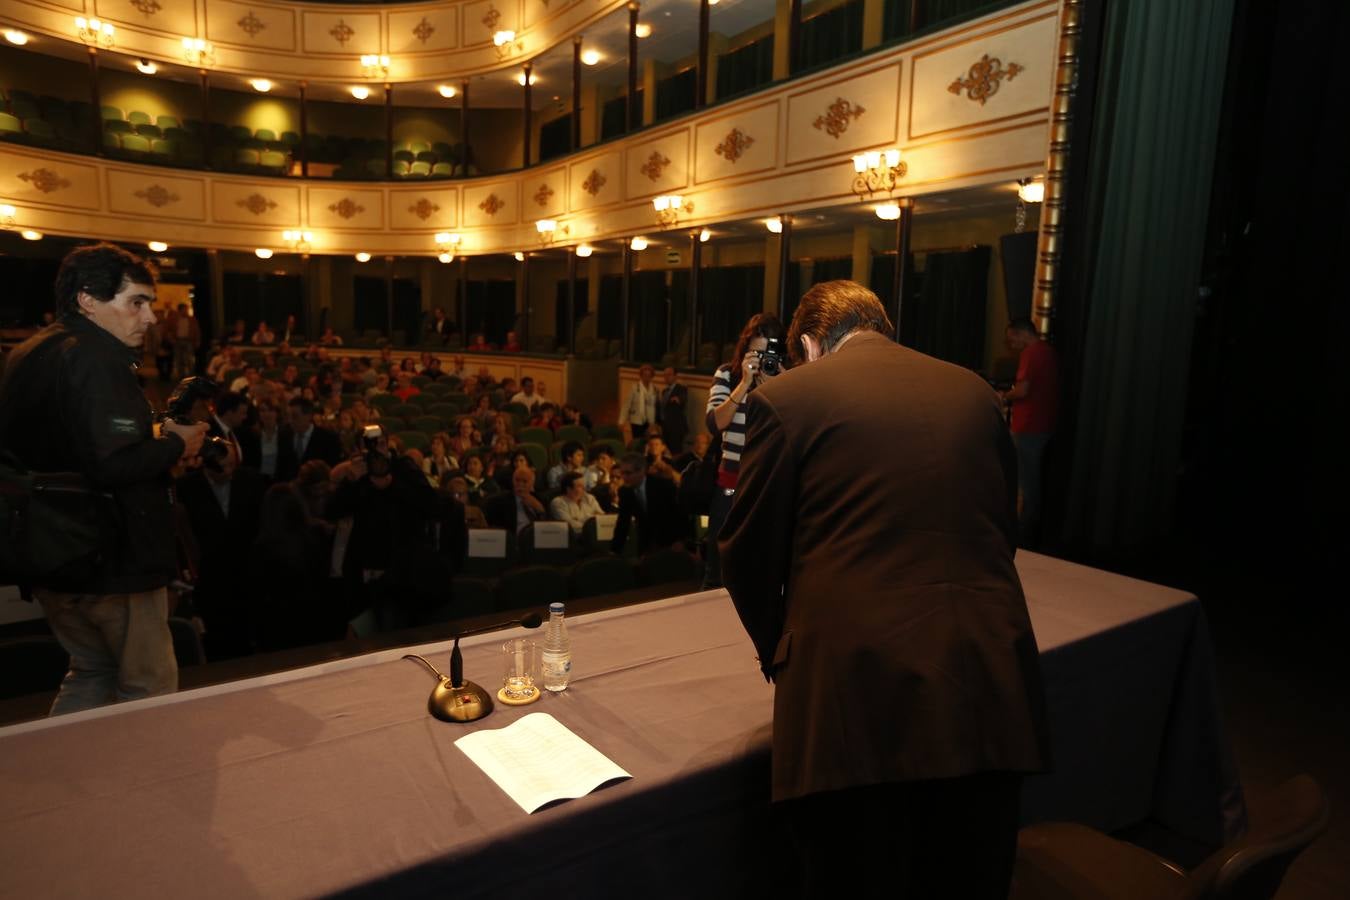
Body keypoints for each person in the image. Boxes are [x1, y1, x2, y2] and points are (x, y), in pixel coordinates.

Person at [719, 280, 1050, 899]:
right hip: (989, 687)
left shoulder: (787, 399)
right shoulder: (975, 392)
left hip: (858, 705)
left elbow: (746, 554)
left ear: (812, 346)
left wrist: (782, 653)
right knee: (967, 878)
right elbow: (1002, 523)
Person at [0, 243, 208, 714]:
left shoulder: (27, 352)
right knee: (147, 690)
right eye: (136, 302)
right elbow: (111, 465)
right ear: (88, 300)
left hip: (50, 553)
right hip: (109, 557)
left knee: (90, 672)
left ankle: (74, 785)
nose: (150, 317)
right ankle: (145, 787)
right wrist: (177, 443)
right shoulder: (96, 357)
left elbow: (67, 447)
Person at [702, 313, 787, 588]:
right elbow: (714, 424)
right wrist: (743, 385)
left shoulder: (789, 379)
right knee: (719, 567)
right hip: (730, 485)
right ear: (745, 349)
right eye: (756, 353)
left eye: (768, 354)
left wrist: (782, 387)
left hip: (765, 485)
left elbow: (797, 429)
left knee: (759, 569)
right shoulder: (728, 374)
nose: (763, 361)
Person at [999, 317, 1060, 547]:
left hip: (1028, 425)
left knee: (1025, 483)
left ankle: (1023, 535)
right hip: (1043, 424)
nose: (1011, 344)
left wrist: (1003, 396)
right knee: (1031, 480)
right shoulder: (1048, 352)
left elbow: (1023, 390)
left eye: (1011, 338)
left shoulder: (1031, 354)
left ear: (1021, 333)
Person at [610, 452, 686, 555]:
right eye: (622, 473)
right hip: (646, 542)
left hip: (670, 540)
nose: (623, 477)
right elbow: (623, 521)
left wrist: (680, 540)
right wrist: (615, 550)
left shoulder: (663, 486)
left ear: (641, 471)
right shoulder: (625, 491)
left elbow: (678, 513)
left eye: (628, 473)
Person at [484, 466, 546, 534]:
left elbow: (548, 524)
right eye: (517, 480)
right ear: (512, 480)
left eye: (524, 481)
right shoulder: (499, 501)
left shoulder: (539, 498)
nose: (520, 484)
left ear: (532, 483)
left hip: (536, 538)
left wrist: (539, 507)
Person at [618, 363, 657, 444]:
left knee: (648, 442)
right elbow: (626, 405)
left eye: (649, 376)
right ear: (641, 376)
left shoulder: (654, 389)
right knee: (637, 441)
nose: (647, 378)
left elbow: (654, 406)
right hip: (637, 421)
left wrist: (653, 423)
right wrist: (621, 421)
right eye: (645, 375)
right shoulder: (634, 388)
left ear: (652, 377)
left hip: (649, 422)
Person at [165, 303, 200, 381]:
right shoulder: (174, 319)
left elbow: (196, 330)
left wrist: (197, 340)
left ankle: (191, 375)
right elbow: (168, 330)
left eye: (186, 309)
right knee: (179, 359)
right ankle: (181, 375)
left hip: (188, 341)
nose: (186, 311)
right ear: (180, 310)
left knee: (189, 359)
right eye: (184, 309)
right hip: (178, 341)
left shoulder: (192, 319)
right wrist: (171, 339)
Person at [658, 366, 689, 453]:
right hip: (665, 427)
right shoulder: (664, 391)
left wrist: (678, 399)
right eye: (664, 375)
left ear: (675, 376)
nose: (666, 377)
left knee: (676, 451)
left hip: (676, 428)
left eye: (669, 375)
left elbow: (683, 399)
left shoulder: (681, 389)